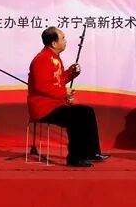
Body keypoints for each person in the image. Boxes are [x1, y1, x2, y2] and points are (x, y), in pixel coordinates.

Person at [27, 27, 110, 167]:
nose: (65, 41)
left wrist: (71, 73)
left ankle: (92, 152)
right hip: (44, 108)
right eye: (63, 38)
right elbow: (42, 87)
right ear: (54, 43)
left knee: (87, 111)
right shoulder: (42, 59)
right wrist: (64, 92)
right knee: (77, 117)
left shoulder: (54, 57)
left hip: (55, 105)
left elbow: (57, 81)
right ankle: (75, 158)